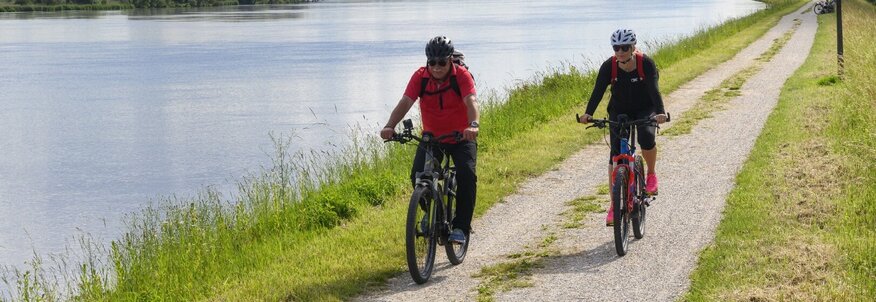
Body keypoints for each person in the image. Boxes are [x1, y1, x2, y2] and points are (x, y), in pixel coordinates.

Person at [380, 36, 479, 244]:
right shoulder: (421, 77)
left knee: (467, 176)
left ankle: (461, 227)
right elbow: (406, 102)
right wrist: (390, 125)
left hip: (461, 136)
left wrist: (473, 125)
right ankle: (430, 213)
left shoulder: (460, 76)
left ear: (450, 60)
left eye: (442, 62)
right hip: (433, 138)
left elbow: (471, 101)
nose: (436, 67)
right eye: (432, 62)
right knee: (417, 175)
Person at [577, 29, 668, 226]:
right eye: (616, 48)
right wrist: (588, 113)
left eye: (624, 47)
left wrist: (660, 112)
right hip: (619, 110)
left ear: (633, 47)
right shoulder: (609, 66)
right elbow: (598, 91)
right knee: (615, 154)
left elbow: (654, 90)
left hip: (645, 109)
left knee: (646, 137)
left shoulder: (646, 64)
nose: (620, 51)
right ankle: (613, 205)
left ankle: (651, 174)